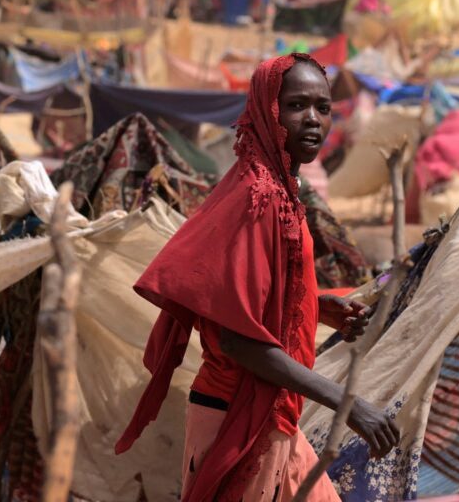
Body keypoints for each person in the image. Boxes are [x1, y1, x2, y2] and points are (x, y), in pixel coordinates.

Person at [117, 54, 400, 502]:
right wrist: (349, 404)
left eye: (323, 108)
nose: (313, 119)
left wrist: (314, 304)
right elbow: (239, 339)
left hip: (269, 411)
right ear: (268, 110)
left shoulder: (279, 188)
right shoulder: (259, 196)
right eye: (296, 106)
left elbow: (253, 293)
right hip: (237, 414)